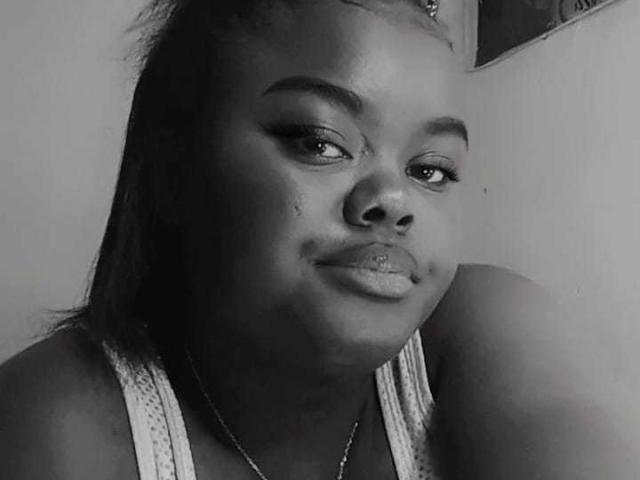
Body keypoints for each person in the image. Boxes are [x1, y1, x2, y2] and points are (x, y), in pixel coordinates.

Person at [0, 0, 637, 478]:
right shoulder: (52, 423)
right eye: (320, 142)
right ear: (174, 165)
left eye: (430, 170)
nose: (394, 200)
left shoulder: (477, 328)